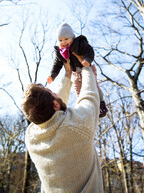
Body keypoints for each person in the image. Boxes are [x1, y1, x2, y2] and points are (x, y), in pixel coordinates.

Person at [22, 57, 104, 193]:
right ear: (55, 104)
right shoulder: (76, 127)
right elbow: (89, 97)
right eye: (52, 93)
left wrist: (68, 75)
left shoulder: (31, 138)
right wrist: (87, 68)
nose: (55, 93)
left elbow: (52, 113)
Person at [47, 22, 107, 118]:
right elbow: (57, 64)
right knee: (78, 89)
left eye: (66, 39)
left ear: (72, 38)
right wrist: (52, 75)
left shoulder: (79, 43)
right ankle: (83, 106)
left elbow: (89, 50)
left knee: (93, 85)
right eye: (60, 40)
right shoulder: (60, 52)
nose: (63, 42)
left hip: (86, 68)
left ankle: (101, 103)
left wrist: (87, 60)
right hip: (75, 73)